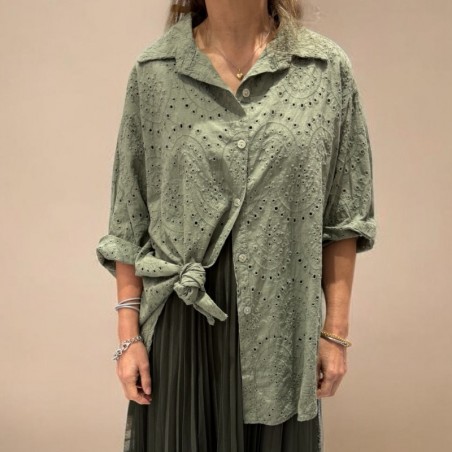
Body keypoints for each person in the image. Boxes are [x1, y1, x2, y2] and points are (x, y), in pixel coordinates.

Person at [95, 0, 377, 451]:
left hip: (281, 323)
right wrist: (128, 338)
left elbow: (344, 216)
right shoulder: (154, 72)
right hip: (184, 324)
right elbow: (129, 220)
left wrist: (335, 334)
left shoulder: (324, 70)